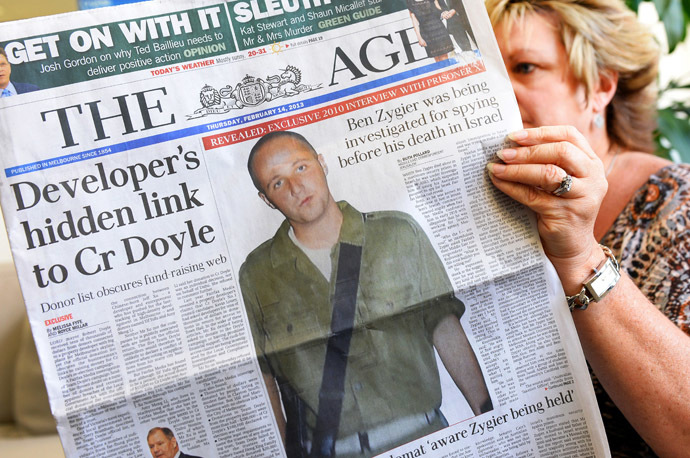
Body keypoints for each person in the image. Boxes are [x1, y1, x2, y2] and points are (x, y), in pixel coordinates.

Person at [484, 0, 690, 455]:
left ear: (599, 87)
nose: (498, 95)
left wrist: (580, 254)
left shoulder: (678, 203)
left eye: (525, 67)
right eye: (486, 76)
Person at [239, 131, 492, 457]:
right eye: (277, 183)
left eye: (301, 168)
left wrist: (488, 421)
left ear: (322, 163)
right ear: (266, 198)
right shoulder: (257, 274)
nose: (296, 187)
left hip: (425, 439)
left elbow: (446, 330)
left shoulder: (398, 233)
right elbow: (264, 378)